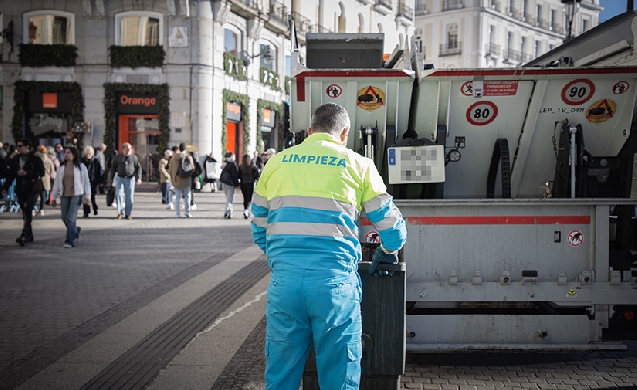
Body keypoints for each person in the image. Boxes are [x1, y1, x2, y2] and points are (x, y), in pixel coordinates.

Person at [250, 103, 407, 390]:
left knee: (281, 372)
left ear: (309, 131)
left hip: (285, 285)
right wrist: (387, 251)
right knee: (339, 373)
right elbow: (391, 225)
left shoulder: (276, 162)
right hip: (334, 287)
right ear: (344, 133)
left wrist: (279, 257)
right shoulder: (358, 164)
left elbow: (258, 222)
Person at [1, 138, 45, 246]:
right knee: (25, 211)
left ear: (27, 147)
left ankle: (24, 234)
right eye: (17, 146)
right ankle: (29, 234)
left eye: (20, 146)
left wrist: (26, 173)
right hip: (21, 189)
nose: (18, 148)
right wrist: (5, 188)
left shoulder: (35, 158)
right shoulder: (16, 159)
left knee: (28, 208)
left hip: (33, 188)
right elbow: (10, 175)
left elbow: (41, 172)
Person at [51, 146, 91, 248]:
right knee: (64, 216)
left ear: (73, 155)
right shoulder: (61, 168)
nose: (66, 155)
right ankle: (76, 230)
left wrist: (88, 196)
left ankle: (69, 240)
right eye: (65, 153)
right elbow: (56, 183)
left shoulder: (81, 167)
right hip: (64, 194)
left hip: (76, 194)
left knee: (71, 218)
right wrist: (53, 197)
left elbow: (86, 182)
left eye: (68, 153)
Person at [109, 142, 142, 220]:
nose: (129, 150)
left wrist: (139, 178)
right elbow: (113, 168)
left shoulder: (134, 157)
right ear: (123, 149)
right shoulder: (118, 157)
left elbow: (138, 168)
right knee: (119, 194)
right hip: (120, 178)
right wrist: (111, 178)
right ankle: (120, 212)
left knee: (129, 197)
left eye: (130, 149)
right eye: (127, 149)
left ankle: (128, 214)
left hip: (130, 178)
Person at [168, 143, 194, 218]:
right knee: (188, 196)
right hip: (187, 179)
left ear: (179, 149)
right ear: (185, 149)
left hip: (178, 179)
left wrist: (173, 178)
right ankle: (187, 212)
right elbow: (192, 168)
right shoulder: (189, 157)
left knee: (177, 196)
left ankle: (177, 214)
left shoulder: (173, 158)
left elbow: (170, 169)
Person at [82, 145, 103, 217]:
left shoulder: (96, 161)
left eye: (90, 154)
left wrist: (100, 182)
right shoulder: (82, 161)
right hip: (84, 181)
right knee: (85, 197)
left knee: (92, 196)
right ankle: (86, 212)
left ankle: (95, 208)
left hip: (93, 181)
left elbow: (99, 172)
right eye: (87, 154)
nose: (88, 156)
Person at [34, 145, 54, 216]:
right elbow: (52, 169)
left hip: (37, 178)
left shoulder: (36, 158)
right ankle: (41, 209)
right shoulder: (48, 159)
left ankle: (32, 208)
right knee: (43, 195)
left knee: (34, 194)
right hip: (46, 178)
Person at [238, 153, 259, 219]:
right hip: (250, 183)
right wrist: (255, 178)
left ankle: (245, 209)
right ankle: (247, 210)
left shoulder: (241, 167)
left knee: (245, 198)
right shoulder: (252, 166)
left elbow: (238, 175)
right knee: (249, 198)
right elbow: (257, 174)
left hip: (243, 184)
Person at [219, 151, 239, 219]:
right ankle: (227, 212)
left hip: (224, 182)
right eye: (234, 156)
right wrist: (236, 184)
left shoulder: (224, 162)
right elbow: (234, 175)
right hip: (230, 183)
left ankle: (230, 211)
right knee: (229, 198)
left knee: (228, 198)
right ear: (231, 156)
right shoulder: (232, 164)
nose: (235, 157)